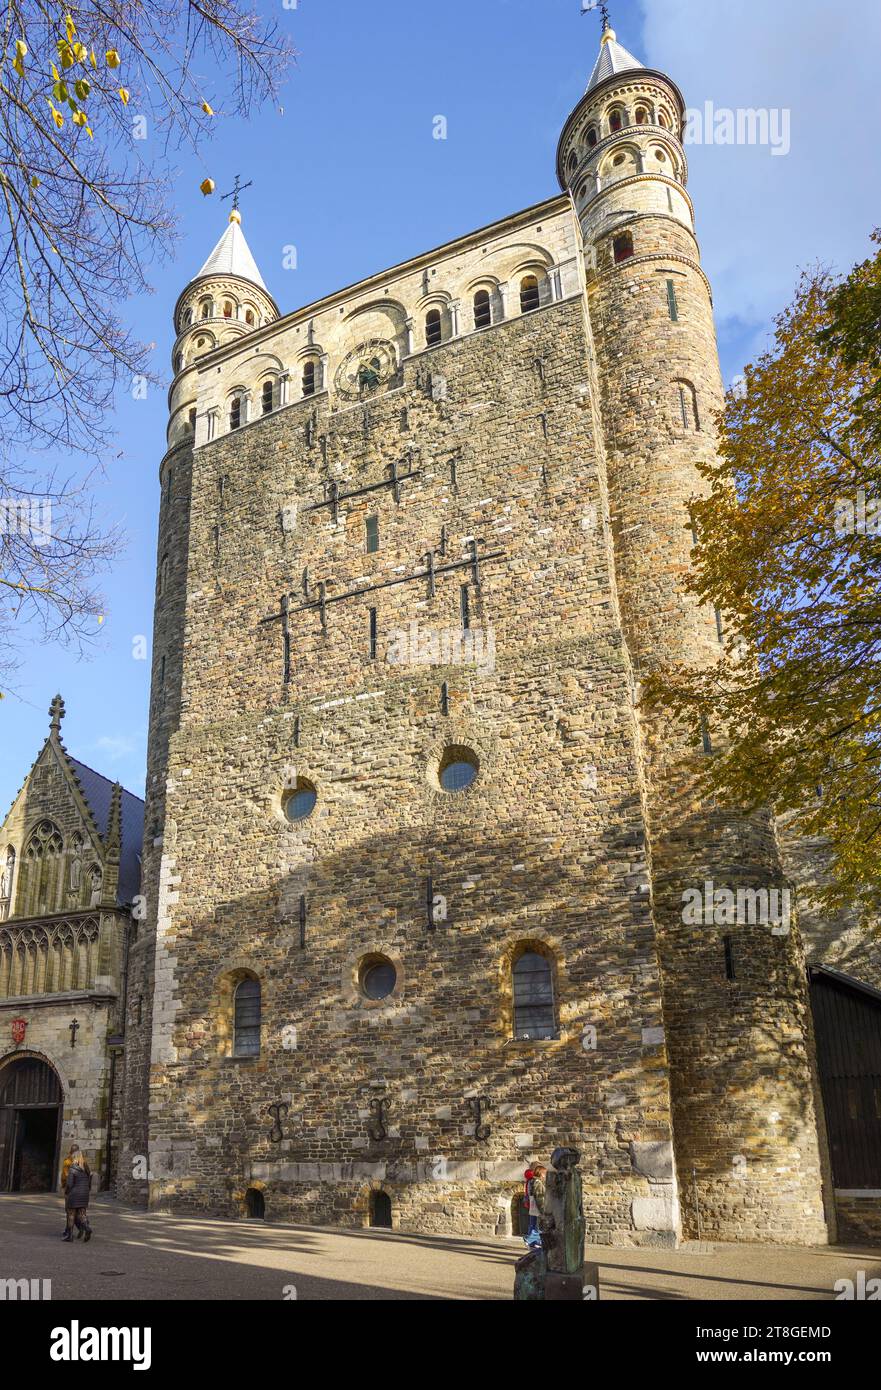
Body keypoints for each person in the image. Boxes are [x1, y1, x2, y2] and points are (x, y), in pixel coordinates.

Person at [62, 1150, 92, 1242]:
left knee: (71, 1214)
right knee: (82, 1214)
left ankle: (69, 1236)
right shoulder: (86, 1169)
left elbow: (70, 1184)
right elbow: (89, 1183)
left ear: (74, 1158)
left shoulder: (73, 1168)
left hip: (74, 1194)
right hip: (84, 1194)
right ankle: (87, 1228)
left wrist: (66, 1192)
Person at [526, 1163, 547, 1247]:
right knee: (539, 1227)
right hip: (537, 1207)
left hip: (533, 1206)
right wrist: (542, 1210)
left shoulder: (531, 1181)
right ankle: (530, 1240)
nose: (545, 1175)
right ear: (541, 1173)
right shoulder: (537, 1182)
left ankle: (533, 1242)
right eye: (545, 1173)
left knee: (533, 1225)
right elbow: (539, 1197)